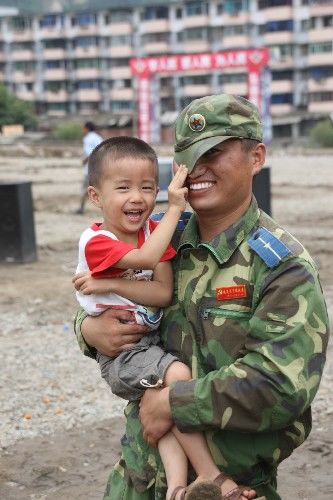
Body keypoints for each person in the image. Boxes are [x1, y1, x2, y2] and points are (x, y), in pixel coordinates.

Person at [73, 94, 329, 500]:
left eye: (216, 151)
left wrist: (175, 403)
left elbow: (281, 385)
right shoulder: (158, 236)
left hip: (233, 485)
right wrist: (88, 330)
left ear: (256, 157)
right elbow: (95, 289)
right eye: (190, 156)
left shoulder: (281, 265)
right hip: (140, 479)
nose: (198, 169)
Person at [73, 136, 257, 500]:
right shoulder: (102, 239)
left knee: (167, 412)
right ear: (96, 196)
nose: (137, 197)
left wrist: (107, 282)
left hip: (150, 350)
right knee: (177, 377)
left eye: (147, 187)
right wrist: (88, 328)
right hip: (128, 354)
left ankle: (178, 488)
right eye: (123, 187)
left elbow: (160, 293)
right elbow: (139, 265)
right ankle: (213, 475)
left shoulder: (154, 233)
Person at [75, 121, 103, 215]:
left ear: (87, 128)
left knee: (84, 189)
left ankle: (81, 209)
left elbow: (90, 153)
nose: (82, 130)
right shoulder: (98, 137)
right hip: (100, 168)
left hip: (90, 169)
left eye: (83, 128)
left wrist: (84, 160)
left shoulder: (88, 138)